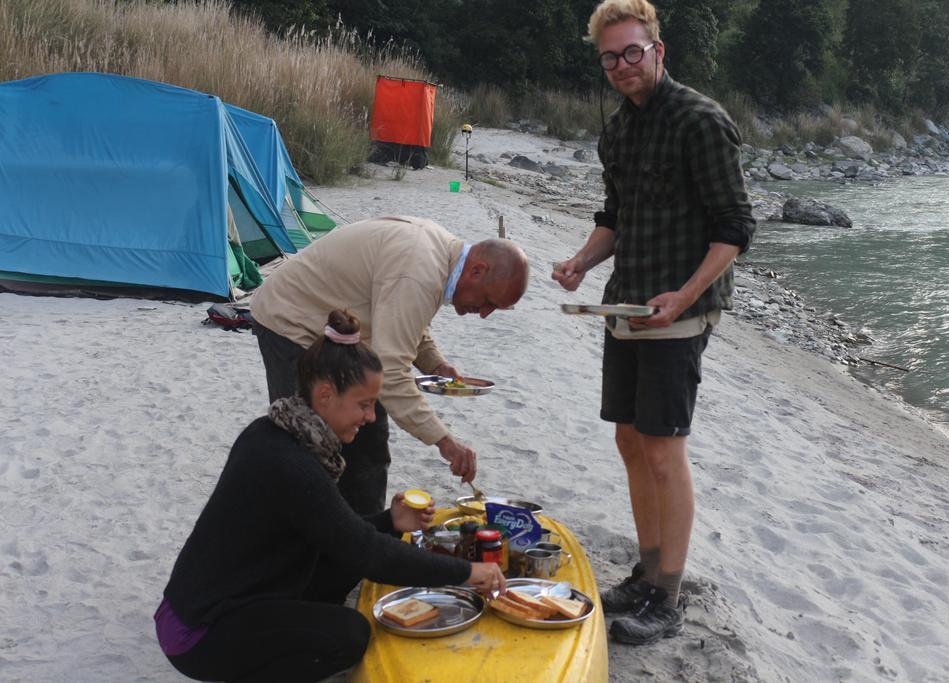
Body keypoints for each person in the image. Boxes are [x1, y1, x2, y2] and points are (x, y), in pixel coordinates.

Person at [552, 0, 756, 645]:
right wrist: (582, 261)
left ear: (658, 50)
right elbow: (614, 215)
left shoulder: (701, 121)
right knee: (630, 442)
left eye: (631, 51)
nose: (621, 66)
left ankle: (666, 595)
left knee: (665, 452)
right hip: (625, 303)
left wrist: (686, 294)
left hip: (679, 312)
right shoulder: (618, 129)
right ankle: (644, 572)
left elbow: (735, 228)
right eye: (610, 56)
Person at [155, 310, 506, 683]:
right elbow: (367, 551)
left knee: (345, 561)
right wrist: (467, 572)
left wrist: (389, 521)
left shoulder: (278, 431)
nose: (371, 417)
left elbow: (339, 534)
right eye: (364, 404)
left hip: (221, 598)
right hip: (198, 632)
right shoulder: (289, 464)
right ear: (325, 395)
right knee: (349, 635)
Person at [249, 215, 530, 515]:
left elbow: (404, 320)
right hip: (291, 323)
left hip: (343, 335)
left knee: (369, 442)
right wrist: (444, 441)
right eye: (488, 301)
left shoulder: (438, 257)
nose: (484, 313)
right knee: (308, 446)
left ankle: (364, 534)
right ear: (477, 270)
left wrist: (436, 364)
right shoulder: (419, 270)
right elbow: (392, 372)